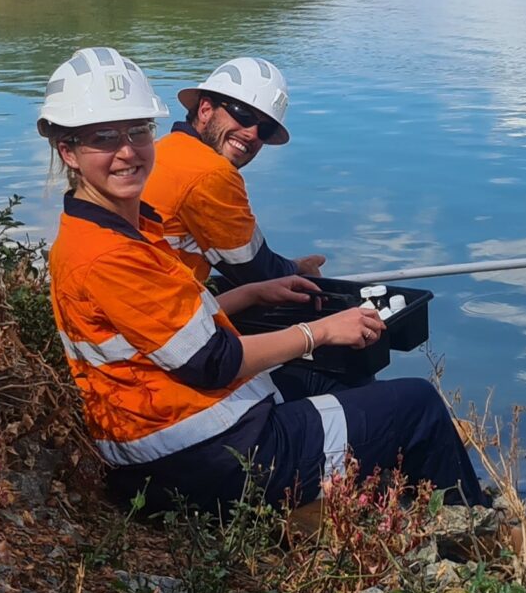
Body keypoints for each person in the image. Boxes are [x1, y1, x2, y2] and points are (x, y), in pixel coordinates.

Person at [37, 46, 488, 515]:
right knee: (418, 405)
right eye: (105, 138)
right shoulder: (110, 253)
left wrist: (251, 293)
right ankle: (472, 536)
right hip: (203, 457)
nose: (127, 151)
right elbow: (213, 361)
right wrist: (322, 330)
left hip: (174, 435)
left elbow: (168, 330)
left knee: (329, 373)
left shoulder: (115, 228)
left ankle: (353, 503)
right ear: (67, 150)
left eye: (137, 131)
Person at [143, 56, 367, 395]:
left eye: (263, 129)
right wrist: (299, 274)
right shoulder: (210, 173)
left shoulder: (165, 151)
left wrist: (283, 274)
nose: (251, 134)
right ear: (205, 109)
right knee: (344, 374)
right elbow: (254, 268)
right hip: (165, 346)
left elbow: (249, 271)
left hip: (155, 315)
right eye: (243, 115)